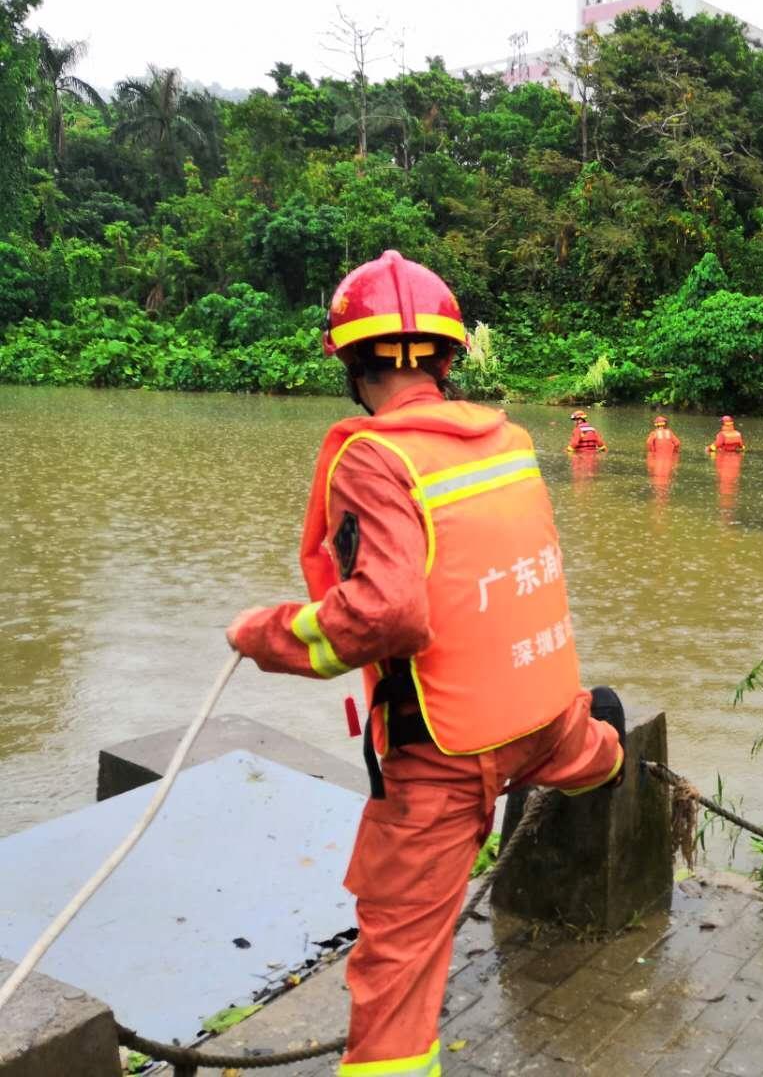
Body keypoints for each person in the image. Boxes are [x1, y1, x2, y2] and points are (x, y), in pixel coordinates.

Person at [224, 251, 624, 1077]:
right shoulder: (509, 439)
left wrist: (268, 634)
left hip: (446, 757)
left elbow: (387, 612)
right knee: (591, 750)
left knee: (394, 971)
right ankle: (607, 755)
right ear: (448, 358)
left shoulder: (375, 457)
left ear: (348, 361)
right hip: (548, 718)